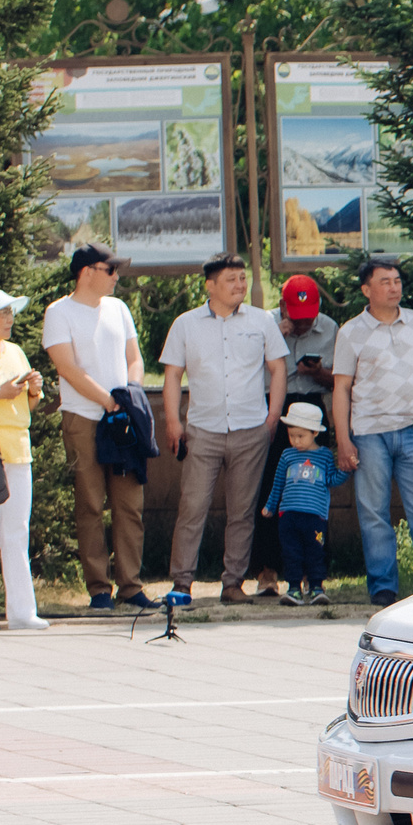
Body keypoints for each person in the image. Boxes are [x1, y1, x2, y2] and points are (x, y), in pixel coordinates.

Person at [158, 253, 287, 606]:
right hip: (203, 429)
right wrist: (173, 421)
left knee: (242, 512)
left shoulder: (261, 320)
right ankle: (182, 583)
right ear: (210, 286)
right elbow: (173, 375)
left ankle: (233, 583)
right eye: (231, 279)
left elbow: (278, 368)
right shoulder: (185, 324)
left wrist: (273, 416)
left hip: (251, 428)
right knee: (192, 507)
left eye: (242, 278)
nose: (240, 285)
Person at [331, 257, 413, 608]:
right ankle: (383, 589)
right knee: (374, 514)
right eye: (384, 281)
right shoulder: (351, 332)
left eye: (397, 280)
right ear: (366, 290)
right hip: (370, 434)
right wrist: (343, 439)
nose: (394, 287)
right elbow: (341, 388)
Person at [41, 244, 152, 610]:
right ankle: (99, 588)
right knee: (90, 503)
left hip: (122, 419)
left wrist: (130, 392)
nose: (116, 276)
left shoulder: (119, 309)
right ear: (87, 272)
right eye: (110, 270)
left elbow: (135, 358)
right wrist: (106, 400)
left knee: (129, 503)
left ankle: (131, 586)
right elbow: (67, 368)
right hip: (83, 417)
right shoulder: (59, 312)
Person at [249, 275, 339, 600]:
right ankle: (267, 572)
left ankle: (312, 576)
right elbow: (248, 370)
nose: (302, 325)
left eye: (308, 319)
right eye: (296, 318)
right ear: (283, 307)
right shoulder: (264, 324)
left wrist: (317, 372)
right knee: (271, 490)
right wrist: (276, 337)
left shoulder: (329, 328)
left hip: (312, 409)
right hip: (274, 406)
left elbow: (339, 379)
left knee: (312, 492)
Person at [0, 286, 45, 630]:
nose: (10, 319)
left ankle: (22, 612)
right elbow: (1, 397)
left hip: (18, 452)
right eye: (3, 313)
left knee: (17, 533)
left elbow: (28, 406)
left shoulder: (16, 352)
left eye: (10, 312)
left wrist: (33, 390)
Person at [259, 401, 348, 605]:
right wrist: (270, 506)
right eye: (292, 436)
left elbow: (331, 479)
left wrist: (346, 470)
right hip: (288, 516)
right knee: (291, 552)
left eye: (301, 436)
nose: (296, 441)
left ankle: (316, 586)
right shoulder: (287, 455)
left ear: (315, 433)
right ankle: (293, 589)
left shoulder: (324, 455)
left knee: (316, 551)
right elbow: (278, 483)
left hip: (316, 517)